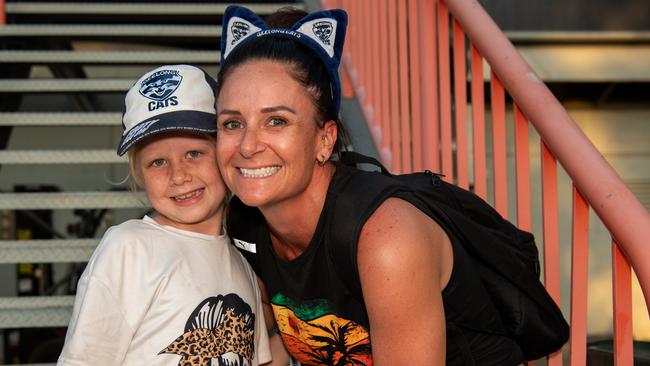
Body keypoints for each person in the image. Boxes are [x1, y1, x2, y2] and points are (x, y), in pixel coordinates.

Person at [215, 6, 528, 366]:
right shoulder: (246, 219)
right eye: (232, 124)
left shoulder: (383, 238)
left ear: (324, 140)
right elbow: (278, 334)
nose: (248, 145)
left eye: (276, 121)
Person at [57, 64, 275, 366]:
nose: (179, 175)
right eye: (158, 162)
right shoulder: (129, 248)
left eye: (194, 154)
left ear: (225, 153)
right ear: (139, 176)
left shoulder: (244, 259)